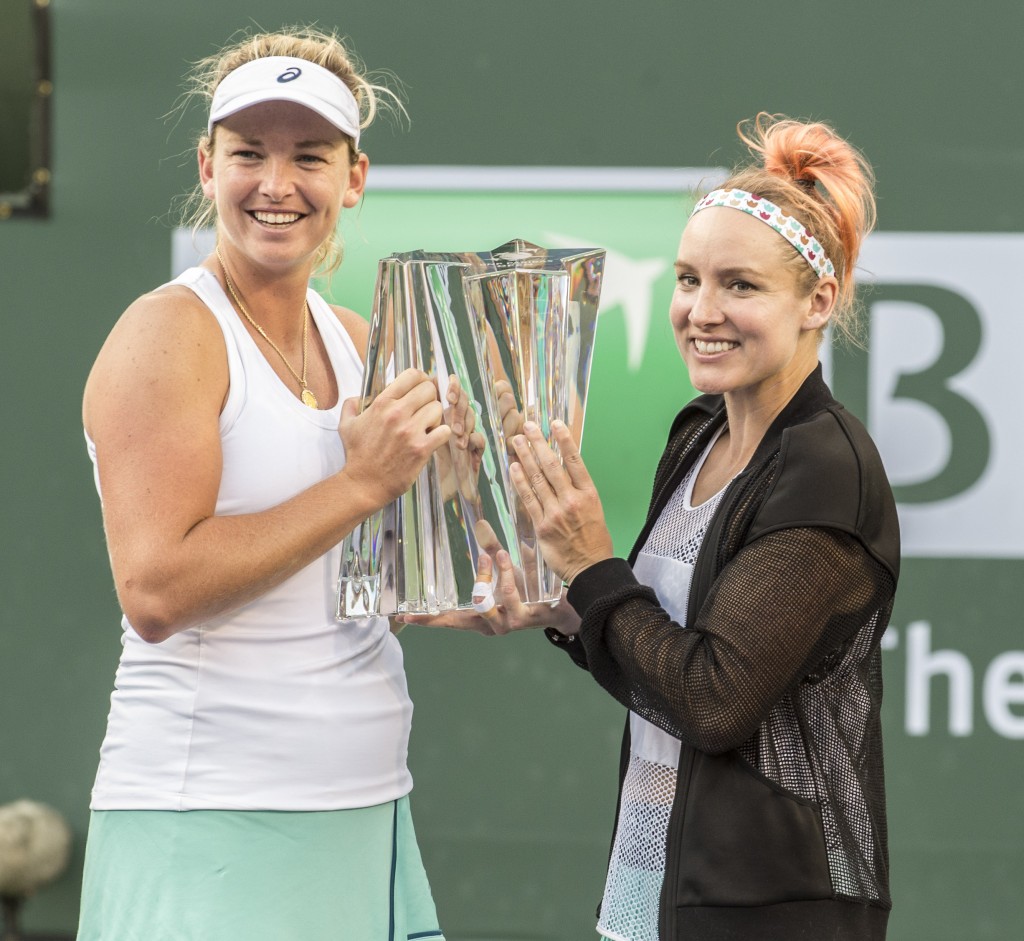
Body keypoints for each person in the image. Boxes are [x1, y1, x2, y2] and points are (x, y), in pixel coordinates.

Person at [404, 113, 899, 940]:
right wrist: (565, 604)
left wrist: (593, 566)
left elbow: (712, 700)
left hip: (771, 909)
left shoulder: (827, 467)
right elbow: (661, 661)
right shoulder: (699, 429)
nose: (701, 311)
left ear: (818, 300)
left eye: (740, 285)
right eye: (686, 279)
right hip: (650, 887)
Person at [77, 27, 463, 941]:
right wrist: (363, 484)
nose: (277, 185)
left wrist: (467, 587)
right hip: (209, 822)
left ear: (353, 178)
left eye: (309, 157)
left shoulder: (359, 341)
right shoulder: (165, 334)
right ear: (208, 166)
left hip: (368, 810)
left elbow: (356, 577)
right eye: (250, 153)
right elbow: (157, 589)